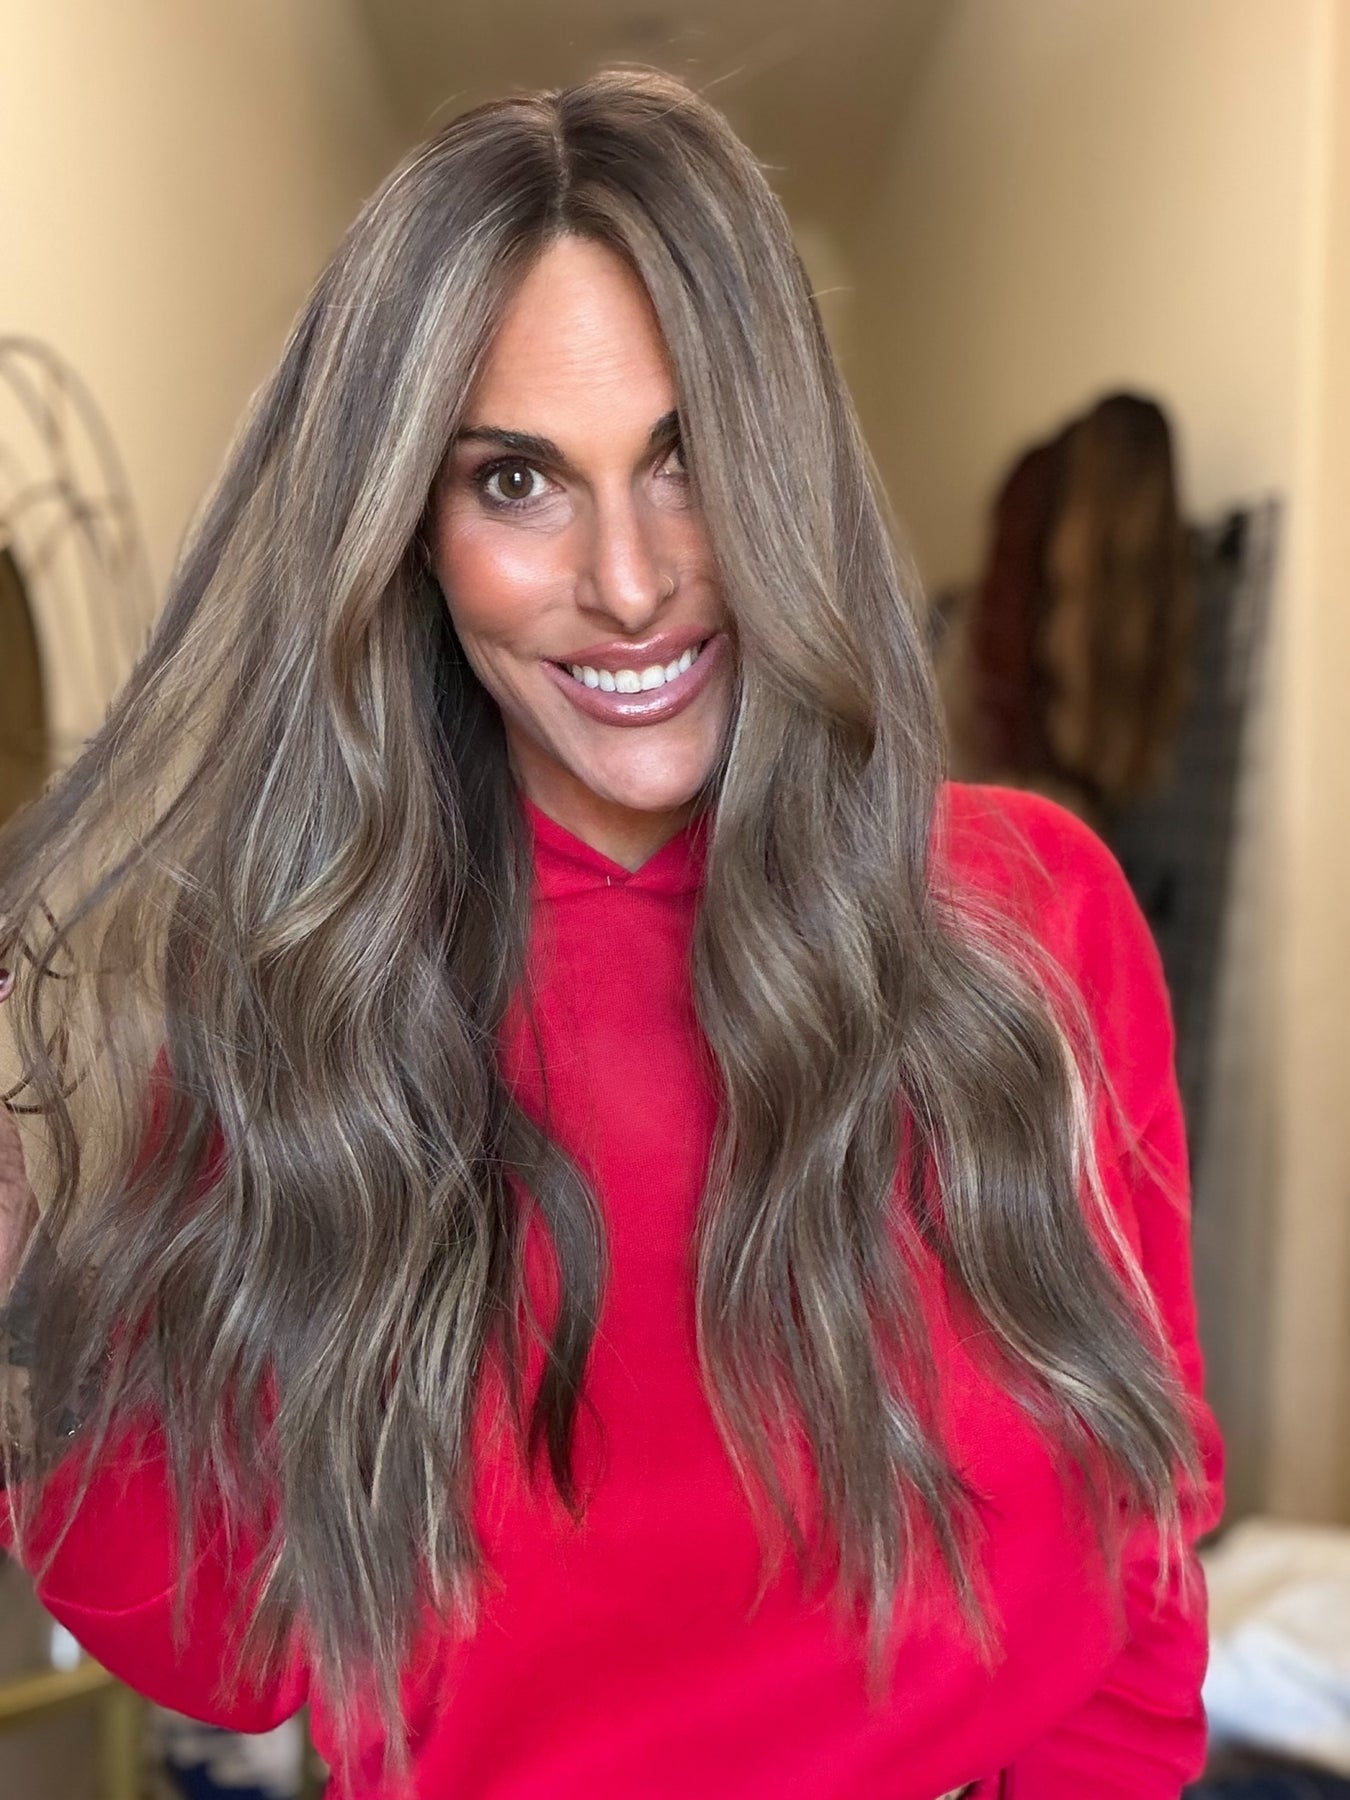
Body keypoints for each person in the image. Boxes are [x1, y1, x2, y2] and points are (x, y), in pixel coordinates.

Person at [0, 66, 1222, 1800]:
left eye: (686, 455)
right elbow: (224, 1644)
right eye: (517, 481)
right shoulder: (297, 1000)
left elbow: (1142, 1537)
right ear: (407, 532)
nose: (632, 581)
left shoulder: (1034, 920)